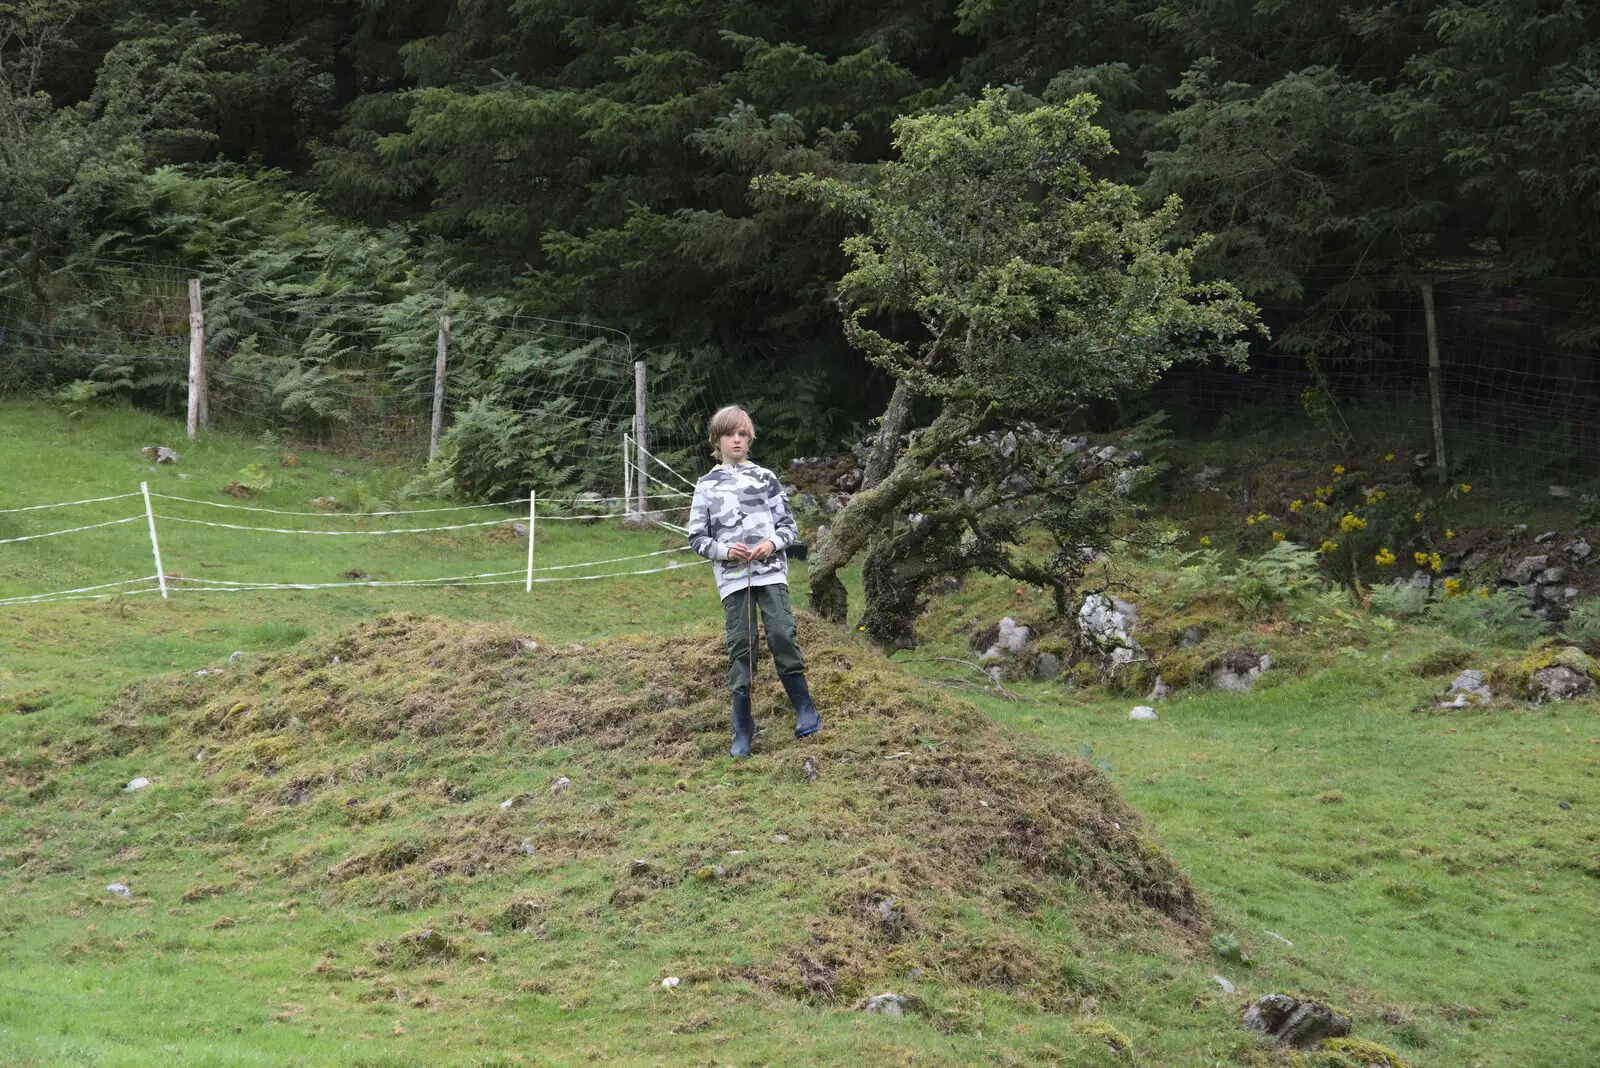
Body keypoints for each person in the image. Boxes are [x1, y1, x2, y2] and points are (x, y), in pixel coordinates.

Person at [686, 405, 820, 757]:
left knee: (781, 632)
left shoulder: (766, 478)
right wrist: (727, 551)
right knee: (742, 646)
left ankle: (804, 706)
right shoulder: (706, 486)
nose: (737, 440)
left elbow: (789, 527)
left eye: (743, 434)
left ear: (750, 438)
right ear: (717, 439)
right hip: (733, 580)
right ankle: (742, 727)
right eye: (730, 434)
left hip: (771, 573)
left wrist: (771, 544)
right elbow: (697, 538)